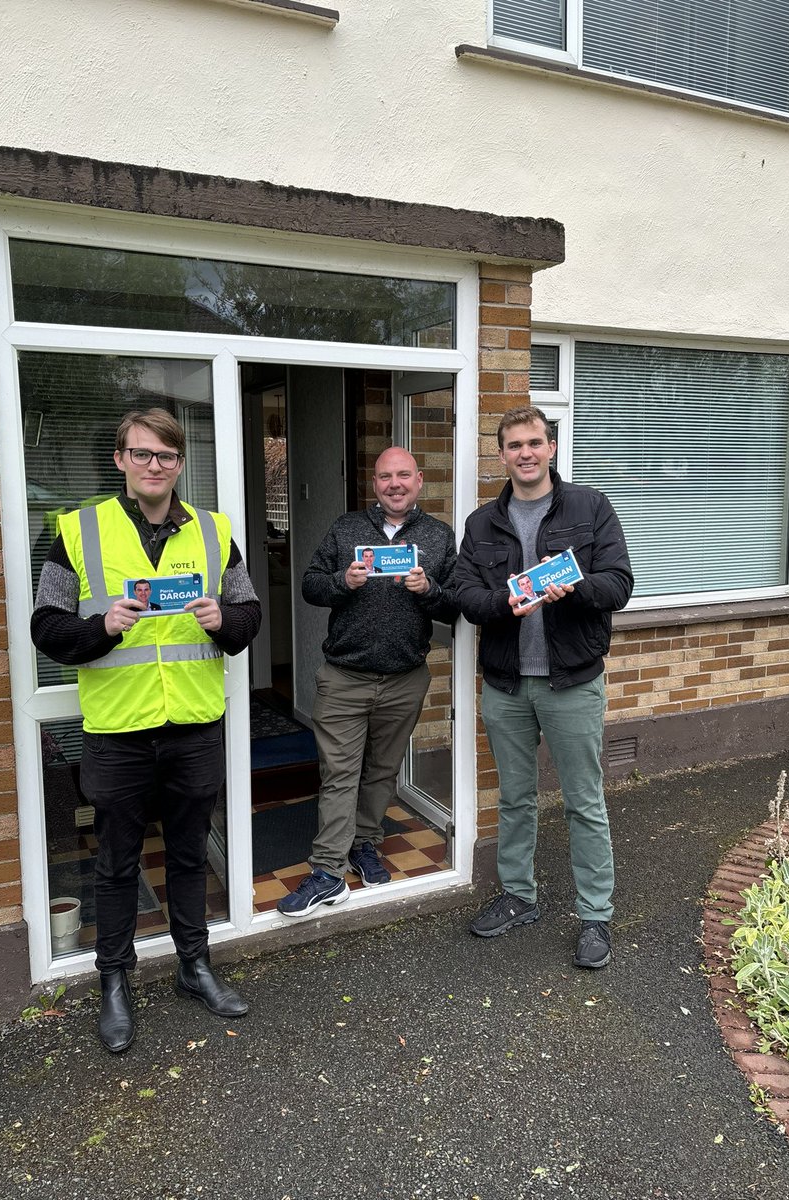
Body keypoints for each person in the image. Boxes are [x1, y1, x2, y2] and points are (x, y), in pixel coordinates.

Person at [31, 408, 261, 1051]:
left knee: (189, 855)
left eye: (166, 456)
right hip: (118, 731)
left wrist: (223, 619)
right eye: (142, 454)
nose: (154, 466)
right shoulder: (78, 532)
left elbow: (248, 622)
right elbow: (46, 628)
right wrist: (100, 628)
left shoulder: (216, 533)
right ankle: (114, 981)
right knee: (116, 863)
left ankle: (195, 966)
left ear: (180, 464)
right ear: (120, 460)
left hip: (192, 725)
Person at [455, 406, 633, 969]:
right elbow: (462, 590)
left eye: (535, 442)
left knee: (584, 802)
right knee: (514, 798)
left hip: (571, 682)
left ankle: (596, 916)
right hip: (507, 683)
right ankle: (518, 895)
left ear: (551, 447)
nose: (525, 453)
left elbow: (619, 583)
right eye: (514, 445)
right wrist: (500, 604)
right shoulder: (482, 522)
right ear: (501, 454)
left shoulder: (589, 507)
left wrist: (573, 590)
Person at [277, 447, 459, 917]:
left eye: (403, 475)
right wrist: (344, 580)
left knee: (381, 771)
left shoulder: (439, 536)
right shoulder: (346, 528)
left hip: (405, 678)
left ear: (419, 481)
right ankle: (327, 870)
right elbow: (311, 585)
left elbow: (456, 604)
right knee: (339, 774)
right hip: (344, 677)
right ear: (374, 484)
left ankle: (364, 842)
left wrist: (429, 591)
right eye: (384, 477)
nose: (394, 484)